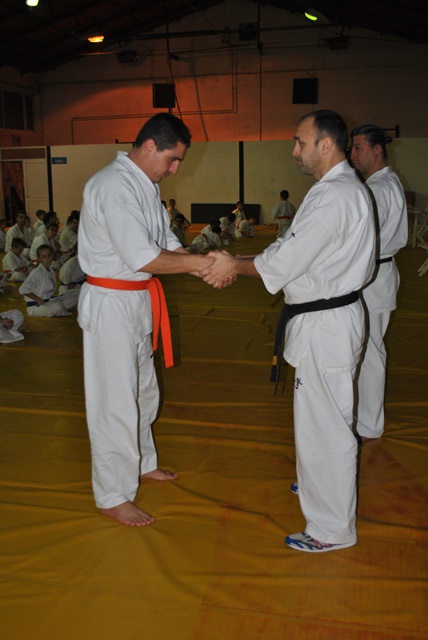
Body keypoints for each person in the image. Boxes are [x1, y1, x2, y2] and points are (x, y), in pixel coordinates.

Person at [201, 109, 376, 552]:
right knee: (323, 421)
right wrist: (241, 262)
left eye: (300, 141)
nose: (294, 150)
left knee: (327, 427)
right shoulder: (331, 191)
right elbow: (287, 248)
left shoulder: (336, 195)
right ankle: (320, 489)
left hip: (327, 323)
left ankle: (332, 529)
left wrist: (233, 266)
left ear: (325, 144)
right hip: (325, 319)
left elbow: (285, 261)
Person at [77, 112, 217, 527]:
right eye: (173, 159)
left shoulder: (145, 186)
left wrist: (200, 264)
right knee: (115, 402)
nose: (175, 170)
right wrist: (203, 265)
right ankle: (112, 494)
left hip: (137, 301)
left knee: (142, 392)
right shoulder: (113, 185)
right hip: (112, 304)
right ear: (150, 146)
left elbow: (165, 241)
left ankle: (141, 463)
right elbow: (144, 256)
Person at [350, 124, 407, 442]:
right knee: (367, 348)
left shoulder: (380, 188)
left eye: (358, 148)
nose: (353, 155)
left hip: (373, 275)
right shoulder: (381, 183)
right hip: (376, 274)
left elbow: (362, 239)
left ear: (377, 149)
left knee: (370, 351)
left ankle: (369, 424)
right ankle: (365, 418)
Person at [19, 244, 79, 317]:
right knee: (57, 306)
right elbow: (23, 290)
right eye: (44, 257)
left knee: (76, 294)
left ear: (52, 255)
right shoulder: (37, 272)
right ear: (39, 259)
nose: (48, 259)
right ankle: (64, 309)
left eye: (49, 255)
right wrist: (38, 299)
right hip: (36, 306)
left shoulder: (50, 270)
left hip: (49, 301)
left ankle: (62, 308)